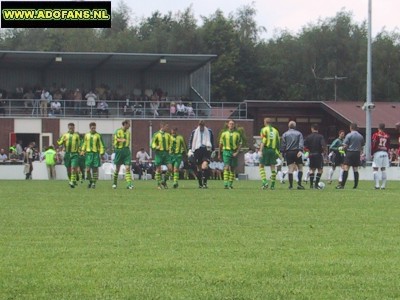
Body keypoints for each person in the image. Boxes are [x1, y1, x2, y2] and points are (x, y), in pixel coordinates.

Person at [336, 123, 365, 189]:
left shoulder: (349, 135)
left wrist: (341, 148)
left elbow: (345, 145)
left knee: (346, 168)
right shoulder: (360, 136)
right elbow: (362, 145)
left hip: (350, 153)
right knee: (355, 169)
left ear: (351, 128)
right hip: (357, 153)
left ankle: (342, 185)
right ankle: (355, 185)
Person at [188, 120, 215, 188]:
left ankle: (205, 183)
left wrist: (213, 150)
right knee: (199, 168)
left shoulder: (209, 131)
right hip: (197, 150)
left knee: (205, 166)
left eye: (202, 125)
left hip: (206, 149)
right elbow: (191, 140)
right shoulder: (194, 132)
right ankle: (200, 184)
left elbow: (212, 140)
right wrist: (190, 150)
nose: (201, 127)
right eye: (200, 125)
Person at [280, 121, 305, 190]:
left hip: (289, 152)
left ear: (288, 126)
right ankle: (299, 184)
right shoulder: (299, 133)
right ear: (295, 126)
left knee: (290, 169)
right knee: (300, 168)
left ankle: (290, 186)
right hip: (297, 152)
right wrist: (300, 150)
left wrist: (282, 152)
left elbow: (283, 144)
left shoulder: (285, 134)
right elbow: (301, 143)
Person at [218, 119, 242, 189]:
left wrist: (237, 152)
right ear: (228, 125)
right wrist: (219, 153)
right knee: (226, 167)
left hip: (233, 151)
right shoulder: (224, 133)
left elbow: (240, 144)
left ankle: (230, 184)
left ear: (234, 125)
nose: (231, 125)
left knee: (232, 168)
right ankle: (225, 184)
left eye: (232, 124)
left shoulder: (237, 134)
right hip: (226, 151)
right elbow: (220, 144)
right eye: (230, 124)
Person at [81, 122, 105, 189]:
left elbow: (101, 145)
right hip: (88, 154)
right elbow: (84, 143)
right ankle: (90, 181)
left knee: (95, 169)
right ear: (90, 127)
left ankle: (94, 183)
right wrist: (82, 151)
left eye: (94, 128)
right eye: (92, 128)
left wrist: (101, 153)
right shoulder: (86, 135)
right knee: (88, 170)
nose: (93, 129)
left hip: (95, 154)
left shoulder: (98, 135)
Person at [258, 117, 280, 190]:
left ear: (265, 122)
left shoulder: (263, 130)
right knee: (273, 167)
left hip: (266, 149)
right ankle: (273, 185)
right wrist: (278, 153)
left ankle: (265, 182)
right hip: (273, 150)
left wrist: (260, 151)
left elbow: (263, 140)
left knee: (261, 166)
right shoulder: (276, 131)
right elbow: (278, 143)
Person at [57, 123, 81, 188]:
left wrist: (80, 151)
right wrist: (61, 140)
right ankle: (71, 180)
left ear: (74, 128)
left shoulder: (77, 135)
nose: (71, 129)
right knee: (68, 169)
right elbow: (59, 142)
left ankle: (72, 182)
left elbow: (79, 144)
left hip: (75, 154)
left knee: (73, 168)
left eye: (72, 128)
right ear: (68, 128)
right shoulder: (65, 135)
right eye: (70, 128)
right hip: (67, 154)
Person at [304, 123, 327, 189]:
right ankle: (316, 184)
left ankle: (311, 185)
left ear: (312, 129)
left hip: (311, 155)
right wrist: (325, 153)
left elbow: (305, 147)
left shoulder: (308, 137)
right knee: (320, 170)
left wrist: (307, 152)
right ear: (317, 129)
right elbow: (323, 145)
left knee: (312, 169)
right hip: (318, 155)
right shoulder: (320, 137)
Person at [112, 120, 133, 189]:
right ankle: (114, 183)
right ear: (125, 124)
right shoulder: (118, 131)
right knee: (117, 169)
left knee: (127, 168)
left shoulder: (128, 132)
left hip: (126, 151)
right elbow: (115, 139)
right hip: (119, 151)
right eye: (128, 124)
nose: (129, 126)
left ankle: (129, 184)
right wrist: (121, 140)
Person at [151, 121, 172, 189]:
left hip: (166, 154)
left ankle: (164, 181)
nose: (167, 128)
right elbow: (152, 143)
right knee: (158, 169)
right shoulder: (156, 134)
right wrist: (155, 147)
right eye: (167, 126)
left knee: (170, 168)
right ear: (162, 126)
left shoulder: (168, 135)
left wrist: (170, 148)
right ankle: (158, 184)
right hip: (159, 153)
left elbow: (170, 143)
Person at [371, 123, 390, 189]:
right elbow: (388, 145)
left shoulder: (375, 135)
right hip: (385, 153)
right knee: (383, 169)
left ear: (378, 128)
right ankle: (383, 186)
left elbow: (373, 144)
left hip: (378, 152)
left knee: (375, 168)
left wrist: (372, 153)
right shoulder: (387, 135)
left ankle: (377, 185)